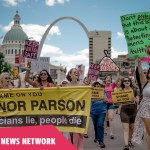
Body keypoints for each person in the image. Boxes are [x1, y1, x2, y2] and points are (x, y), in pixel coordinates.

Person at [132, 58, 150, 150]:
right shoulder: (145, 83)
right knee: (148, 130)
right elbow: (140, 73)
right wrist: (139, 63)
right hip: (146, 107)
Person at [66, 68, 83, 150]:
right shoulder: (66, 86)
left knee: (78, 132)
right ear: (70, 74)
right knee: (71, 132)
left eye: (77, 72)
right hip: (69, 112)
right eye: (74, 72)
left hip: (80, 111)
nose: (77, 73)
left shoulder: (83, 85)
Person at [120, 77, 139, 150]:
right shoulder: (121, 91)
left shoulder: (135, 90)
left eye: (128, 80)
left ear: (130, 82)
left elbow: (137, 100)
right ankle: (126, 145)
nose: (127, 81)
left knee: (132, 128)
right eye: (125, 81)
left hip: (133, 111)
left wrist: (134, 99)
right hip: (124, 111)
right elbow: (117, 101)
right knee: (126, 128)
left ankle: (129, 140)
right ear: (123, 82)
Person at [90, 81, 107, 148]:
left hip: (102, 111)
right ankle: (96, 136)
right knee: (95, 125)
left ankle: (101, 141)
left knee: (100, 124)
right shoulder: (91, 92)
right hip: (93, 111)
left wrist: (105, 100)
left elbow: (106, 100)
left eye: (99, 84)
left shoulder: (104, 92)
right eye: (96, 84)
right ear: (94, 85)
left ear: (101, 85)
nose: (97, 85)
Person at [104, 72, 120, 139]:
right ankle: (105, 130)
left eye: (110, 78)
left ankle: (111, 133)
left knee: (111, 118)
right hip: (104, 103)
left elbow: (117, 79)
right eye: (107, 78)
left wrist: (118, 73)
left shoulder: (112, 85)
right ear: (105, 80)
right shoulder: (102, 86)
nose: (109, 79)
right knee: (105, 118)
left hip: (111, 103)